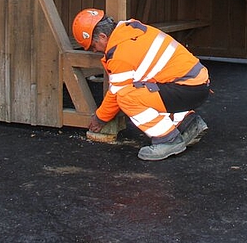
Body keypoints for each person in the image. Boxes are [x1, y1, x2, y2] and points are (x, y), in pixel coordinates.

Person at [72, 9, 210, 160]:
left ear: (103, 36)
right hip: (197, 84)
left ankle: (167, 140)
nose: (95, 51)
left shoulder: (120, 53)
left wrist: (99, 118)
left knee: (126, 97)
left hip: (186, 88)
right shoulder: (130, 29)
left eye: (93, 46)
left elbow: (117, 92)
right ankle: (188, 123)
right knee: (143, 88)